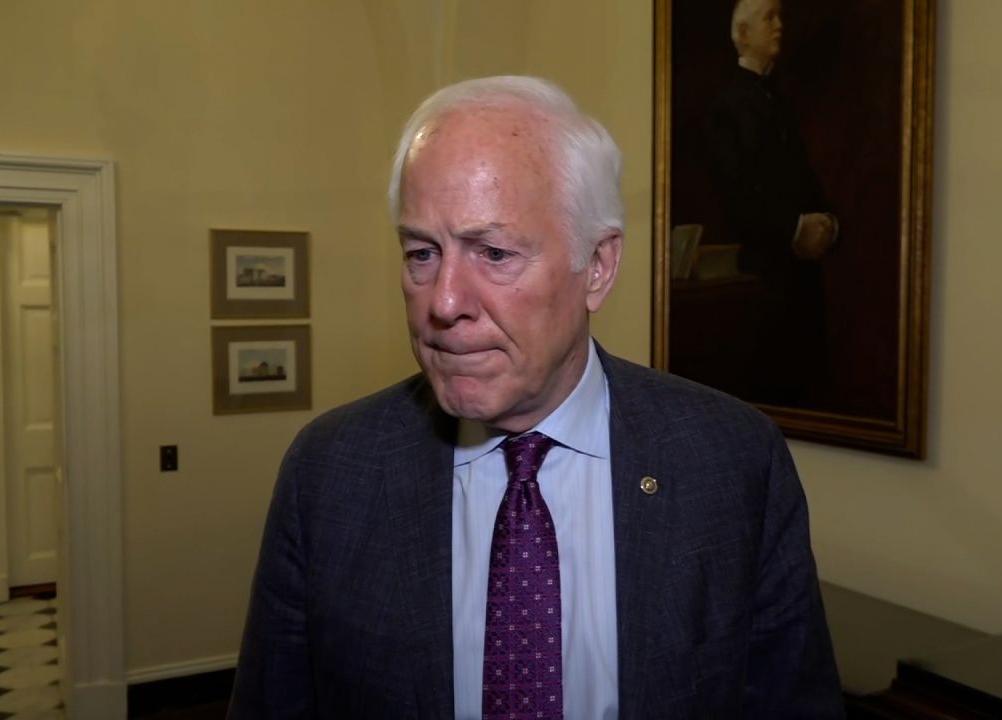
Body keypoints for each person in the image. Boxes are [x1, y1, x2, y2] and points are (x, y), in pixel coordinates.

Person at [229, 75, 842, 718]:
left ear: (597, 266)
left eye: (493, 252)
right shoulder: (329, 473)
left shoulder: (732, 460)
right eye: (421, 253)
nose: (442, 303)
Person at [708, 0, 837, 406]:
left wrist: (829, 224)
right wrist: (795, 229)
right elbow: (737, 197)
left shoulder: (781, 101)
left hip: (801, 279)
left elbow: (804, 178)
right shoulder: (727, 107)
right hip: (762, 281)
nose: (779, 25)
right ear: (743, 35)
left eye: (779, 16)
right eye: (769, 18)